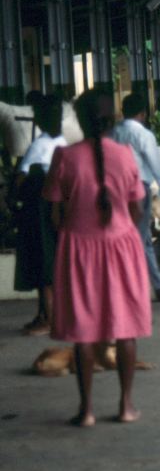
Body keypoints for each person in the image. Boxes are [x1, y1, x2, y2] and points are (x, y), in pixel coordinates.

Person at [43, 89, 150, 426]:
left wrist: (76, 228)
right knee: (126, 329)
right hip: (122, 248)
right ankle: (126, 406)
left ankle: (86, 410)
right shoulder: (125, 155)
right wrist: (119, 229)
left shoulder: (64, 156)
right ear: (113, 118)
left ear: (79, 120)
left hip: (78, 250)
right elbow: (136, 209)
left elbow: (55, 215)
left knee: (84, 332)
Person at [109, 92, 160, 302]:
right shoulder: (143, 135)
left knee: (131, 238)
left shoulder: (113, 133)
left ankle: (157, 285)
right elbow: (156, 165)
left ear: (123, 111)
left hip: (115, 190)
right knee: (139, 239)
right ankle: (138, 287)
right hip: (138, 189)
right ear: (143, 114)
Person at [11, 94, 68, 335]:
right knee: (51, 261)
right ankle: (44, 314)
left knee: (41, 263)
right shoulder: (64, 143)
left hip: (39, 210)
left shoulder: (39, 146)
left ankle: (48, 318)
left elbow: (21, 177)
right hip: (58, 207)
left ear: (40, 120)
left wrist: (14, 196)